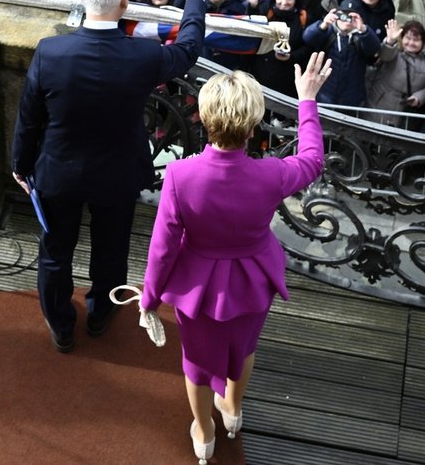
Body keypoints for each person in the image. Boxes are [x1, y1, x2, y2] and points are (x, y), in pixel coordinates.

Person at [11, 0, 216, 352]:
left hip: (58, 172)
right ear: (125, 0)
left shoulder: (50, 51)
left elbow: (29, 117)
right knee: (111, 251)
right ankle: (101, 315)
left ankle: (61, 327)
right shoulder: (142, 55)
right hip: (117, 174)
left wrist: (20, 165)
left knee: (55, 252)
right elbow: (189, 48)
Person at [140, 51, 331, 464]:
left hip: (197, 287)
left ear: (205, 119)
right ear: (253, 123)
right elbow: (314, 159)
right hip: (253, 279)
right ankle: (232, 410)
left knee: (195, 360)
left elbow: (163, 246)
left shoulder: (180, 175)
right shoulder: (273, 173)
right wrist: (307, 101)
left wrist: (149, 299)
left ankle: (204, 431)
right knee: (243, 349)